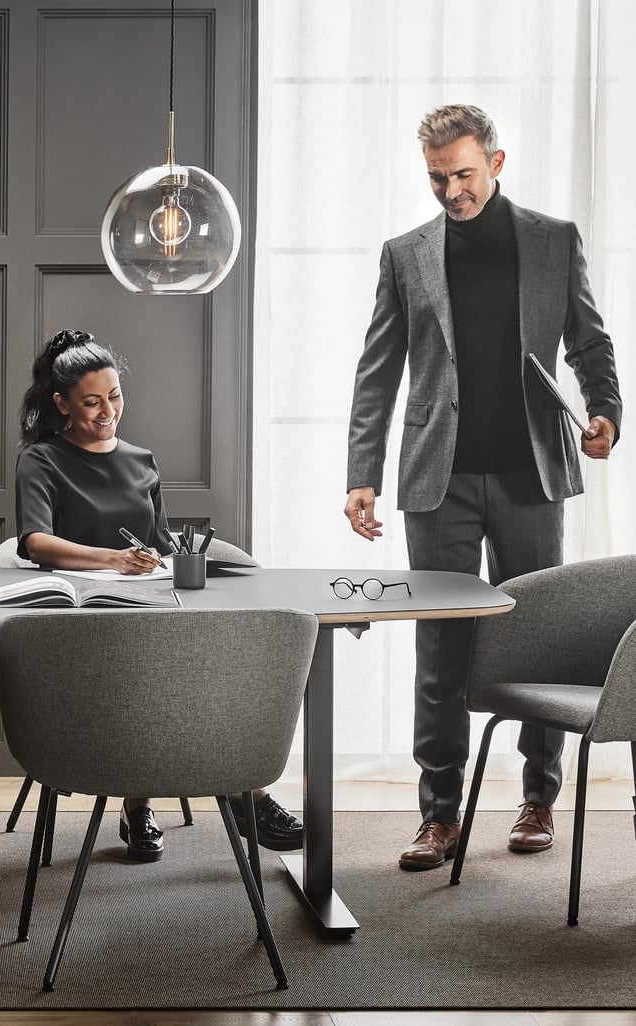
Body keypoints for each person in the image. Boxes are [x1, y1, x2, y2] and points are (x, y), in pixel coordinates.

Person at [344, 105, 622, 871]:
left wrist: (604, 412)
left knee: (543, 637)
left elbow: (590, 342)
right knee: (443, 649)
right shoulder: (406, 254)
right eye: (437, 177)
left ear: (497, 162)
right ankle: (439, 816)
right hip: (439, 480)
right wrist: (360, 474)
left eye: (463, 173)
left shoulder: (553, 240)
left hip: (532, 473)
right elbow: (379, 369)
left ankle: (538, 798)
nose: (451, 191)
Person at [16, 328, 304, 861]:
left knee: (208, 663)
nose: (108, 412)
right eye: (92, 402)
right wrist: (112, 559)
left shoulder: (142, 459)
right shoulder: (42, 460)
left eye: (115, 396)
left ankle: (212, 795)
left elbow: (160, 542)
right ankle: (229, 798)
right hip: (83, 619)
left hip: (148, 605)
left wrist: (161, 558)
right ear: (61, 403)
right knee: (160, 670)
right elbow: (35, 542)